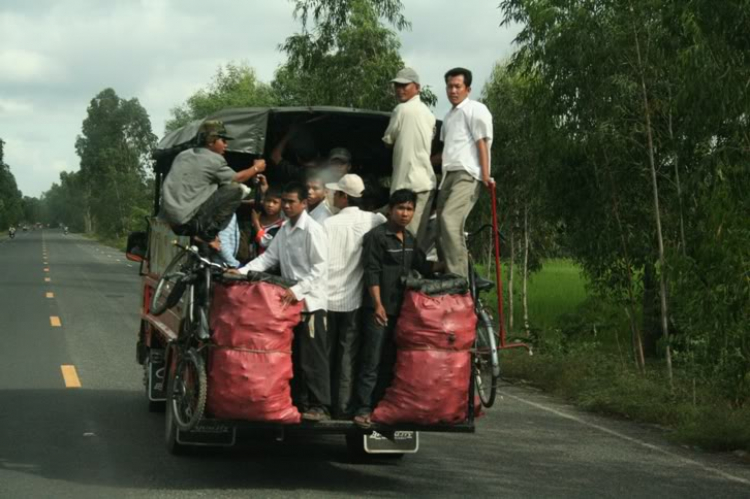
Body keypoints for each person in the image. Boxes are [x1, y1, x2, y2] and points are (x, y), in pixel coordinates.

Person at [238, 182, 331, 421]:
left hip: (310, 303)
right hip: (290, 303)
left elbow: (321, 268)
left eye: (291, 202)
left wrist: (299, 289)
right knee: (294, 355)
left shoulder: (312, 230)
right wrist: (239, 273)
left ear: (304, 203)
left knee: (313, 357)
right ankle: (300, 403)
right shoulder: (285, 229)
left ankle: (319, 405)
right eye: (285, 202)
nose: (287, 206)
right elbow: (268, 258)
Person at [353, 189, 437, 428]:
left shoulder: (409, 239)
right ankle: (363, 409)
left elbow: (423, 266)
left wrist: (451, 262)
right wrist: (377, 305)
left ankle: (382, 407)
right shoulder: (376, 237)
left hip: (402, 312)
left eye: (409, 209)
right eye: (400, 208)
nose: (405, 213)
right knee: (371, 360)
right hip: (378, 310)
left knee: (391, 360)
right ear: (390, 210)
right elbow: (372, 272)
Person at [323, 174, 386, 419]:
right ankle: (343, 407)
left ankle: (325, 405)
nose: (333, 196)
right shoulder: (373, 220)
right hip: (353, 301)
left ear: (344, 197)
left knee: (327, 356)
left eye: (336, 193)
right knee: (347, 356)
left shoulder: (327, 225)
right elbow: (385, 218)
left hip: (327, 300)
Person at [160, 120, 266, 250]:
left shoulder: (183, 155)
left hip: (169, 219)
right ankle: (207, 235)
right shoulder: (214, 160)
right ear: (211, 141)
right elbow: (238, 178)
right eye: (223, 141)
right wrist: (256, 168)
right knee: (237, 190)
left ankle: (202, 234)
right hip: (187, 221)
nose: (226, 145)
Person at [436, 67, 493, 278]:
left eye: (457, 86)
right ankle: (446, 271)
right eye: (449, 86)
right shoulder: (449, 116)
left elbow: (482, 143)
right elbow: (446, 151)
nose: (452, 90)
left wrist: (486, 176)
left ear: (467, 89)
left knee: (451, 220)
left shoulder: (475, 109)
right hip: (448, 175)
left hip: (467, 173)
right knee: (439, 227)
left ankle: (459, 279)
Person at [382, 67, 437, 250]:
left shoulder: (401, 110)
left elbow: (388, 140)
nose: (400, 89)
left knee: (402, 238)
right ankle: (413, 273)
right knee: (416, 237)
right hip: (426, 183)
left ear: (417, 87)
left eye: (405, 85)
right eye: (397, 86)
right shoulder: (429, 115)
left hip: (405, 184)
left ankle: (404, 276)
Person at [251, 185, 285, 256]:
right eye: (268, 201)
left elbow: (265, 243)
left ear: (282, 205)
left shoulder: (281, 226)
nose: (270, 205)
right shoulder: (258, 218)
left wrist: (256, 223)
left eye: (275, 202)